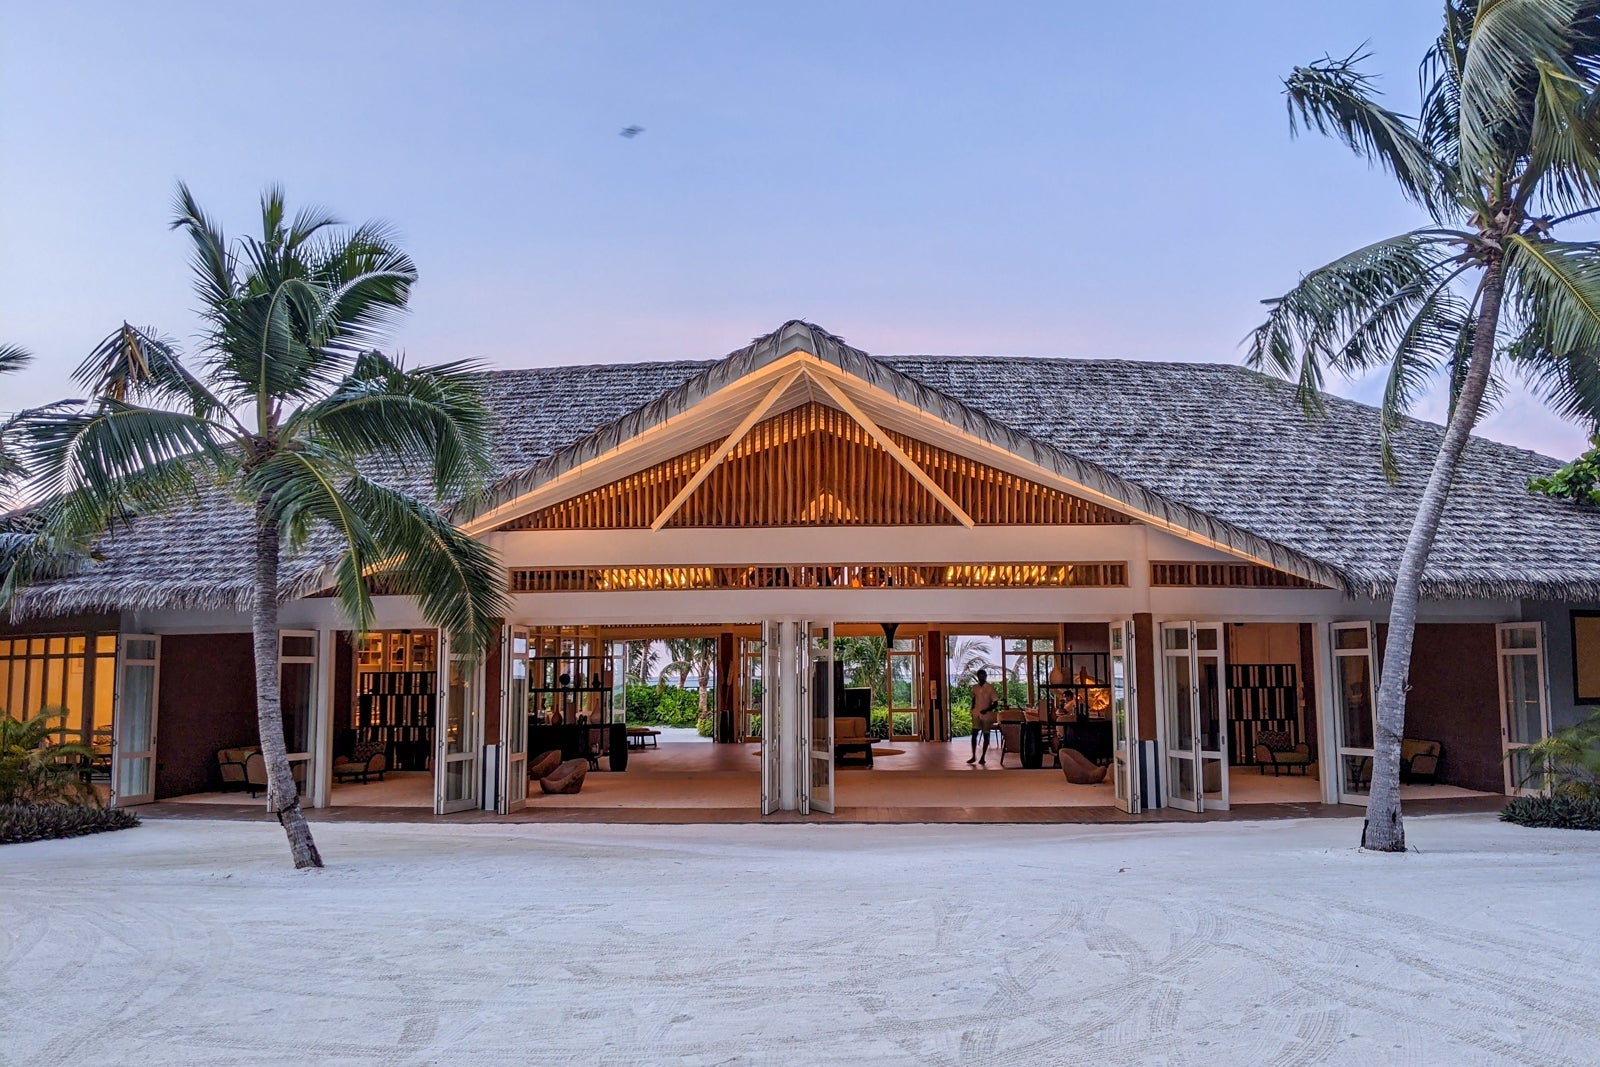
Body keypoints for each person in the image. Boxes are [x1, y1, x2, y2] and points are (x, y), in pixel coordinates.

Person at [968, 669, 1000, 765]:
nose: (981, 677)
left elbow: (996, 703)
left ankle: (983, 757)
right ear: (977, 676)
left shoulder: (990, 688)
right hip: (976, 713)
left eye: (983, 675)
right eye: (979, 676)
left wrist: (986, 710)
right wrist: (972, 709)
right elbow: (974, 699)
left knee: (986, 734)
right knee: (974, 733)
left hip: (986, 715)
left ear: (985, 676)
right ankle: (973, 756)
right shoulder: (975, 688)